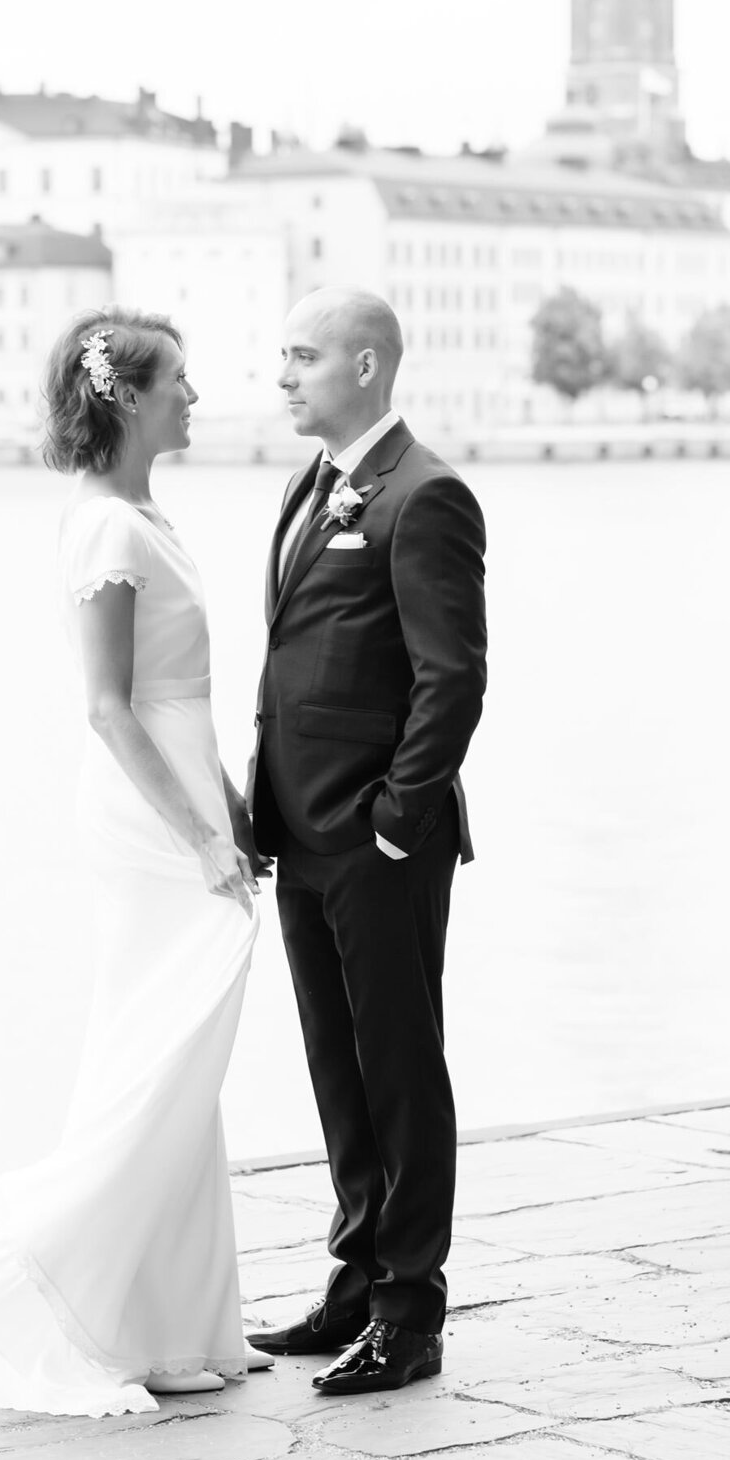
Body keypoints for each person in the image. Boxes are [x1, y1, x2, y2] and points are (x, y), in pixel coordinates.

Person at [0, 307, 271, 1418]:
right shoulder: (106, 532)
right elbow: (109, 709)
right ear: (124, 395)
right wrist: (201, 833)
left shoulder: (145, 512)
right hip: (147, 818)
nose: (194, 394)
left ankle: (176, 1320)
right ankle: (56, 1269)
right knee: (161, 1048)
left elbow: (187, 698)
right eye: (178, 378)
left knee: (181, 1063)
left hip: (186, 793)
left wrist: (230, 801)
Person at [247, 287, 487, 1396]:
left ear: (366, 368)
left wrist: (397, 816)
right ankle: (355, 1271)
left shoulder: (426, 495)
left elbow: (452, 675)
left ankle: (409, 1309)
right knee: (336, 1063)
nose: (284, 373)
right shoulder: (313, 482)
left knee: (397, 1066)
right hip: (302, 829)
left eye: (303, 355)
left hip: (379, 839)